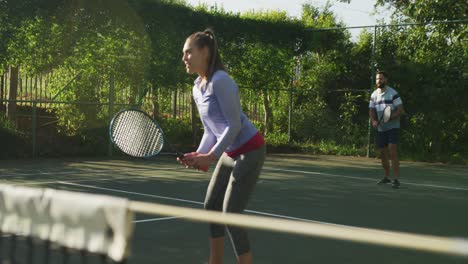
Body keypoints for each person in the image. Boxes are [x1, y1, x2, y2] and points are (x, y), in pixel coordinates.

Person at [179, 28, 266, 264]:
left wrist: (211, 156)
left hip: (250, 149)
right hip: (230, 152)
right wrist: (200, 153)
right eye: (183, 53)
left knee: (231, 214)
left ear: (204, 52)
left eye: (188, 52)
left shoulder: (221, 81)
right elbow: (211, 129)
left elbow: (235, 125)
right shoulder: (197, 87)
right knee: (211, 205)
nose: (184, 58)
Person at [369, 71, 404, 189]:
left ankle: (396, 179)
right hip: (381, 129)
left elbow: (400, 110)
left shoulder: (393, 93)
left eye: (381, 79)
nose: (379, 81)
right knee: (382, 153)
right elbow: (372, 110)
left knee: (392, 151)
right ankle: (387, 177)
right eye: (377, 79)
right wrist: (374, 120)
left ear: (386, 80)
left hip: (393, 127)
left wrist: (389, 118)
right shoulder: (374, 95)